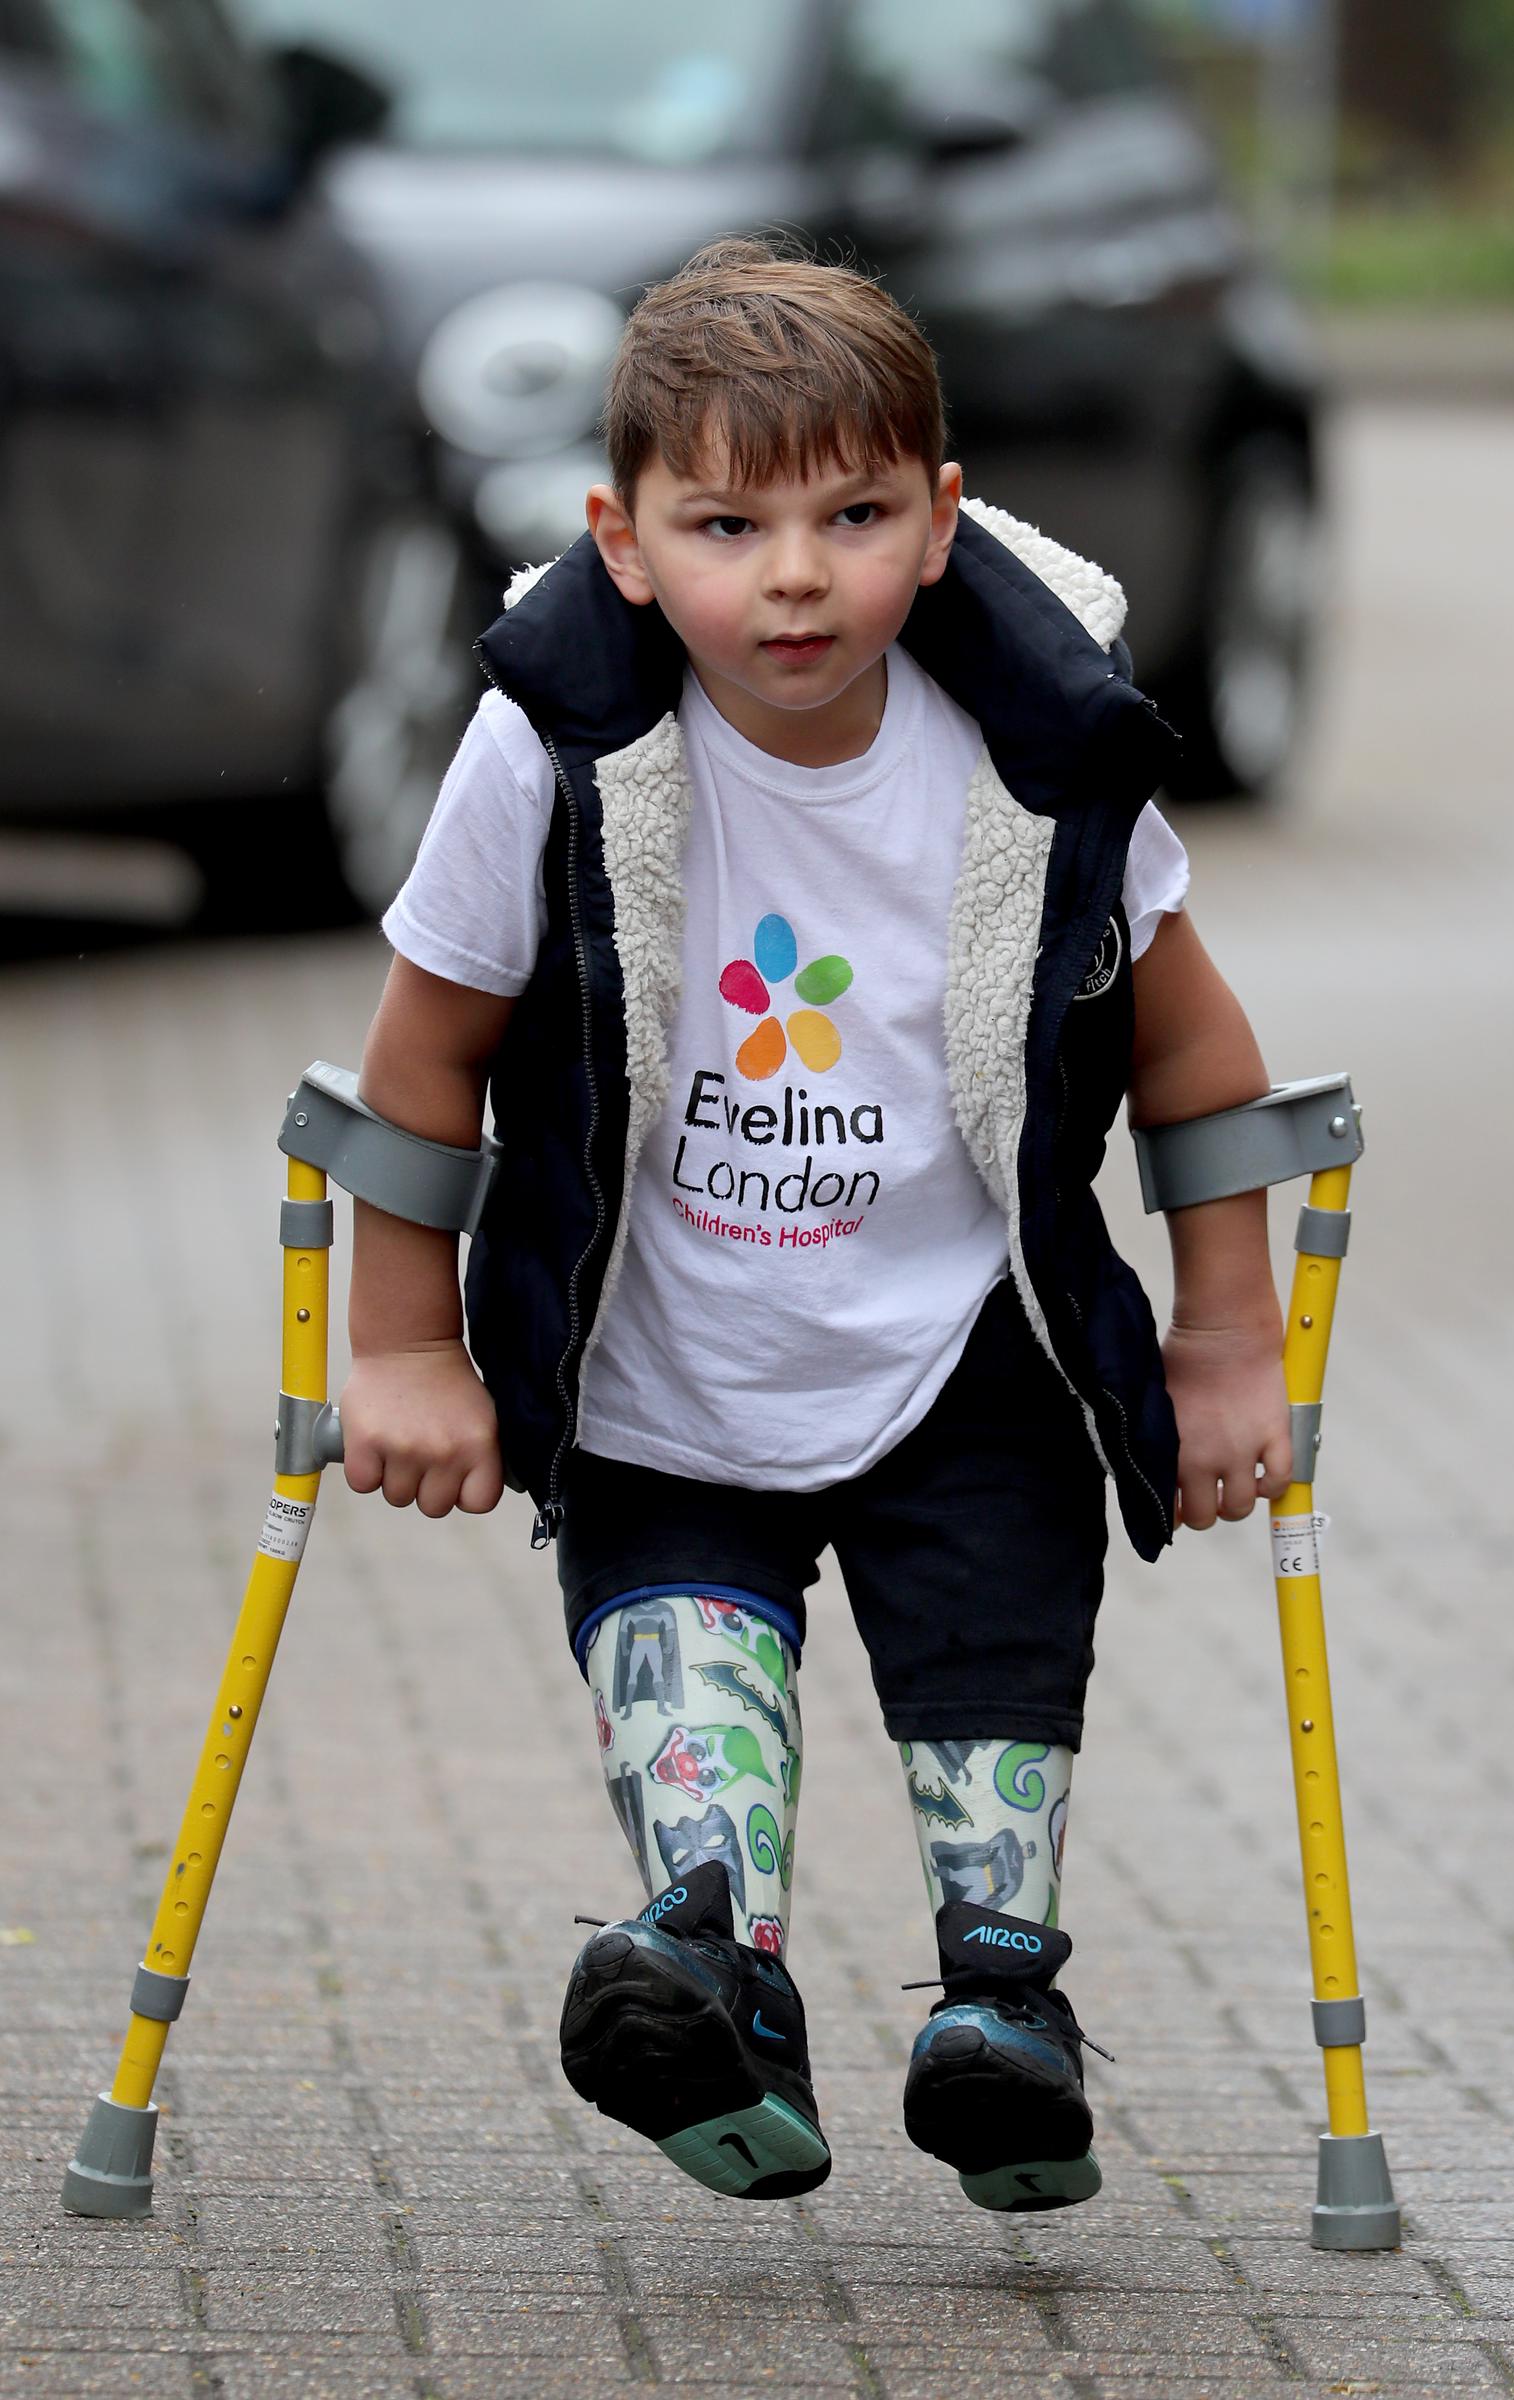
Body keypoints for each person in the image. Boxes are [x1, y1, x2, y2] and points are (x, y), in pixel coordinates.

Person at [340, 235, 1292, 2214]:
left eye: (854, 514)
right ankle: (711, 1973)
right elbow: (423, 1065)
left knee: (989, 1679)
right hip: (659, 1360)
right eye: (727, 521)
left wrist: (1222, 1339)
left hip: (971, 1345)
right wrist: (404, 1346)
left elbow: (1199, 1063)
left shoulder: (1043, 762)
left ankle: (1002, 2011)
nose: (794, 573)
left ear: (941, 526)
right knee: (693, 1698)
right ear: (621, 542)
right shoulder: (551, 752)